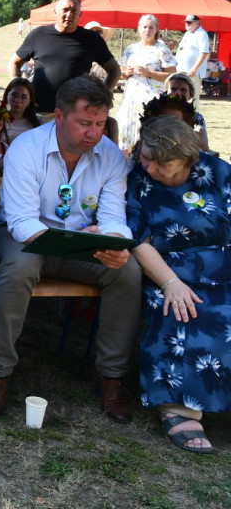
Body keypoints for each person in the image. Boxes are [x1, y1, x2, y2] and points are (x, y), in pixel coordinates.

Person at [0, 76, 141, 423]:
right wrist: (83, 241)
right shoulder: (27, 147)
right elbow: (21, 221)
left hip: (80, 243)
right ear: (59, 117)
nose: (94, 133)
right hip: (23, 237)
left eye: (99, 123)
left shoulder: (110, 155)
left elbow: (113, 215)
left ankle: (111, 376)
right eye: (85, 123)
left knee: (126, 270)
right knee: (19, 268)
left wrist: (113, 241)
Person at [126, 116, 230, 454]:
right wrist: (170, 282)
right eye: (146, 157)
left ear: (188, 158)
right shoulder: (137, 181)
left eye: (163, 162)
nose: (152, 168)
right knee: (184, 309)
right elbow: (137, 239)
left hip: (224, 263)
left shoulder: (218, 173)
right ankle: (180, 408)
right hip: (169, 269)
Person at [10, 0, 120, 113]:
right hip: (39, 111)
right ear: (55, 12)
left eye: (74, 11)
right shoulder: (38, 35)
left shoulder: (92, 40)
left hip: (75, 113)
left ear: (80, 14)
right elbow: (15, 62)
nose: (69, 15)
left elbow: (114, 69)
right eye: (65, 10)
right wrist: (19, 90)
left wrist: (105, 95)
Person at [116, 14, 176, 152]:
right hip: (130, 99)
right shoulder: (131, 48)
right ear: (138, 29)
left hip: (151, 98)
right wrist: (127, 72)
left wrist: (148, 72)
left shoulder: (162, 49)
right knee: (125, 131)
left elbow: (171, 75)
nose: (147, 30)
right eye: (144, 27)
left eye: (151, 27)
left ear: (156, 30)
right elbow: (121, 73)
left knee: (147, 132)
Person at [164, 73, 210, 151]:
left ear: (190, 95)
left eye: (183, 90)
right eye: (174, 89)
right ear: (166, 92)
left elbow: (204, 146)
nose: (178, 93)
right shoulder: (156, 113)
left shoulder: (196, 117)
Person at [175, 14, 209, 99]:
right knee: (180, 96)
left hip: (193, 72)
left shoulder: (202, 34)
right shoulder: (187, 34)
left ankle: (194, 113)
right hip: (181, 70)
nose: (187, 24)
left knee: (192, 97)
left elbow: (204, 53)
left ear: (197, 23)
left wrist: (194, 68)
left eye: (190, 23)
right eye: (186, 22)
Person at [1, 77, 41, 145]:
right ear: (7, 96)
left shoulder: (40, 122)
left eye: (24, 97)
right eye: (14, 95)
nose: (18, 101)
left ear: (30, 101)